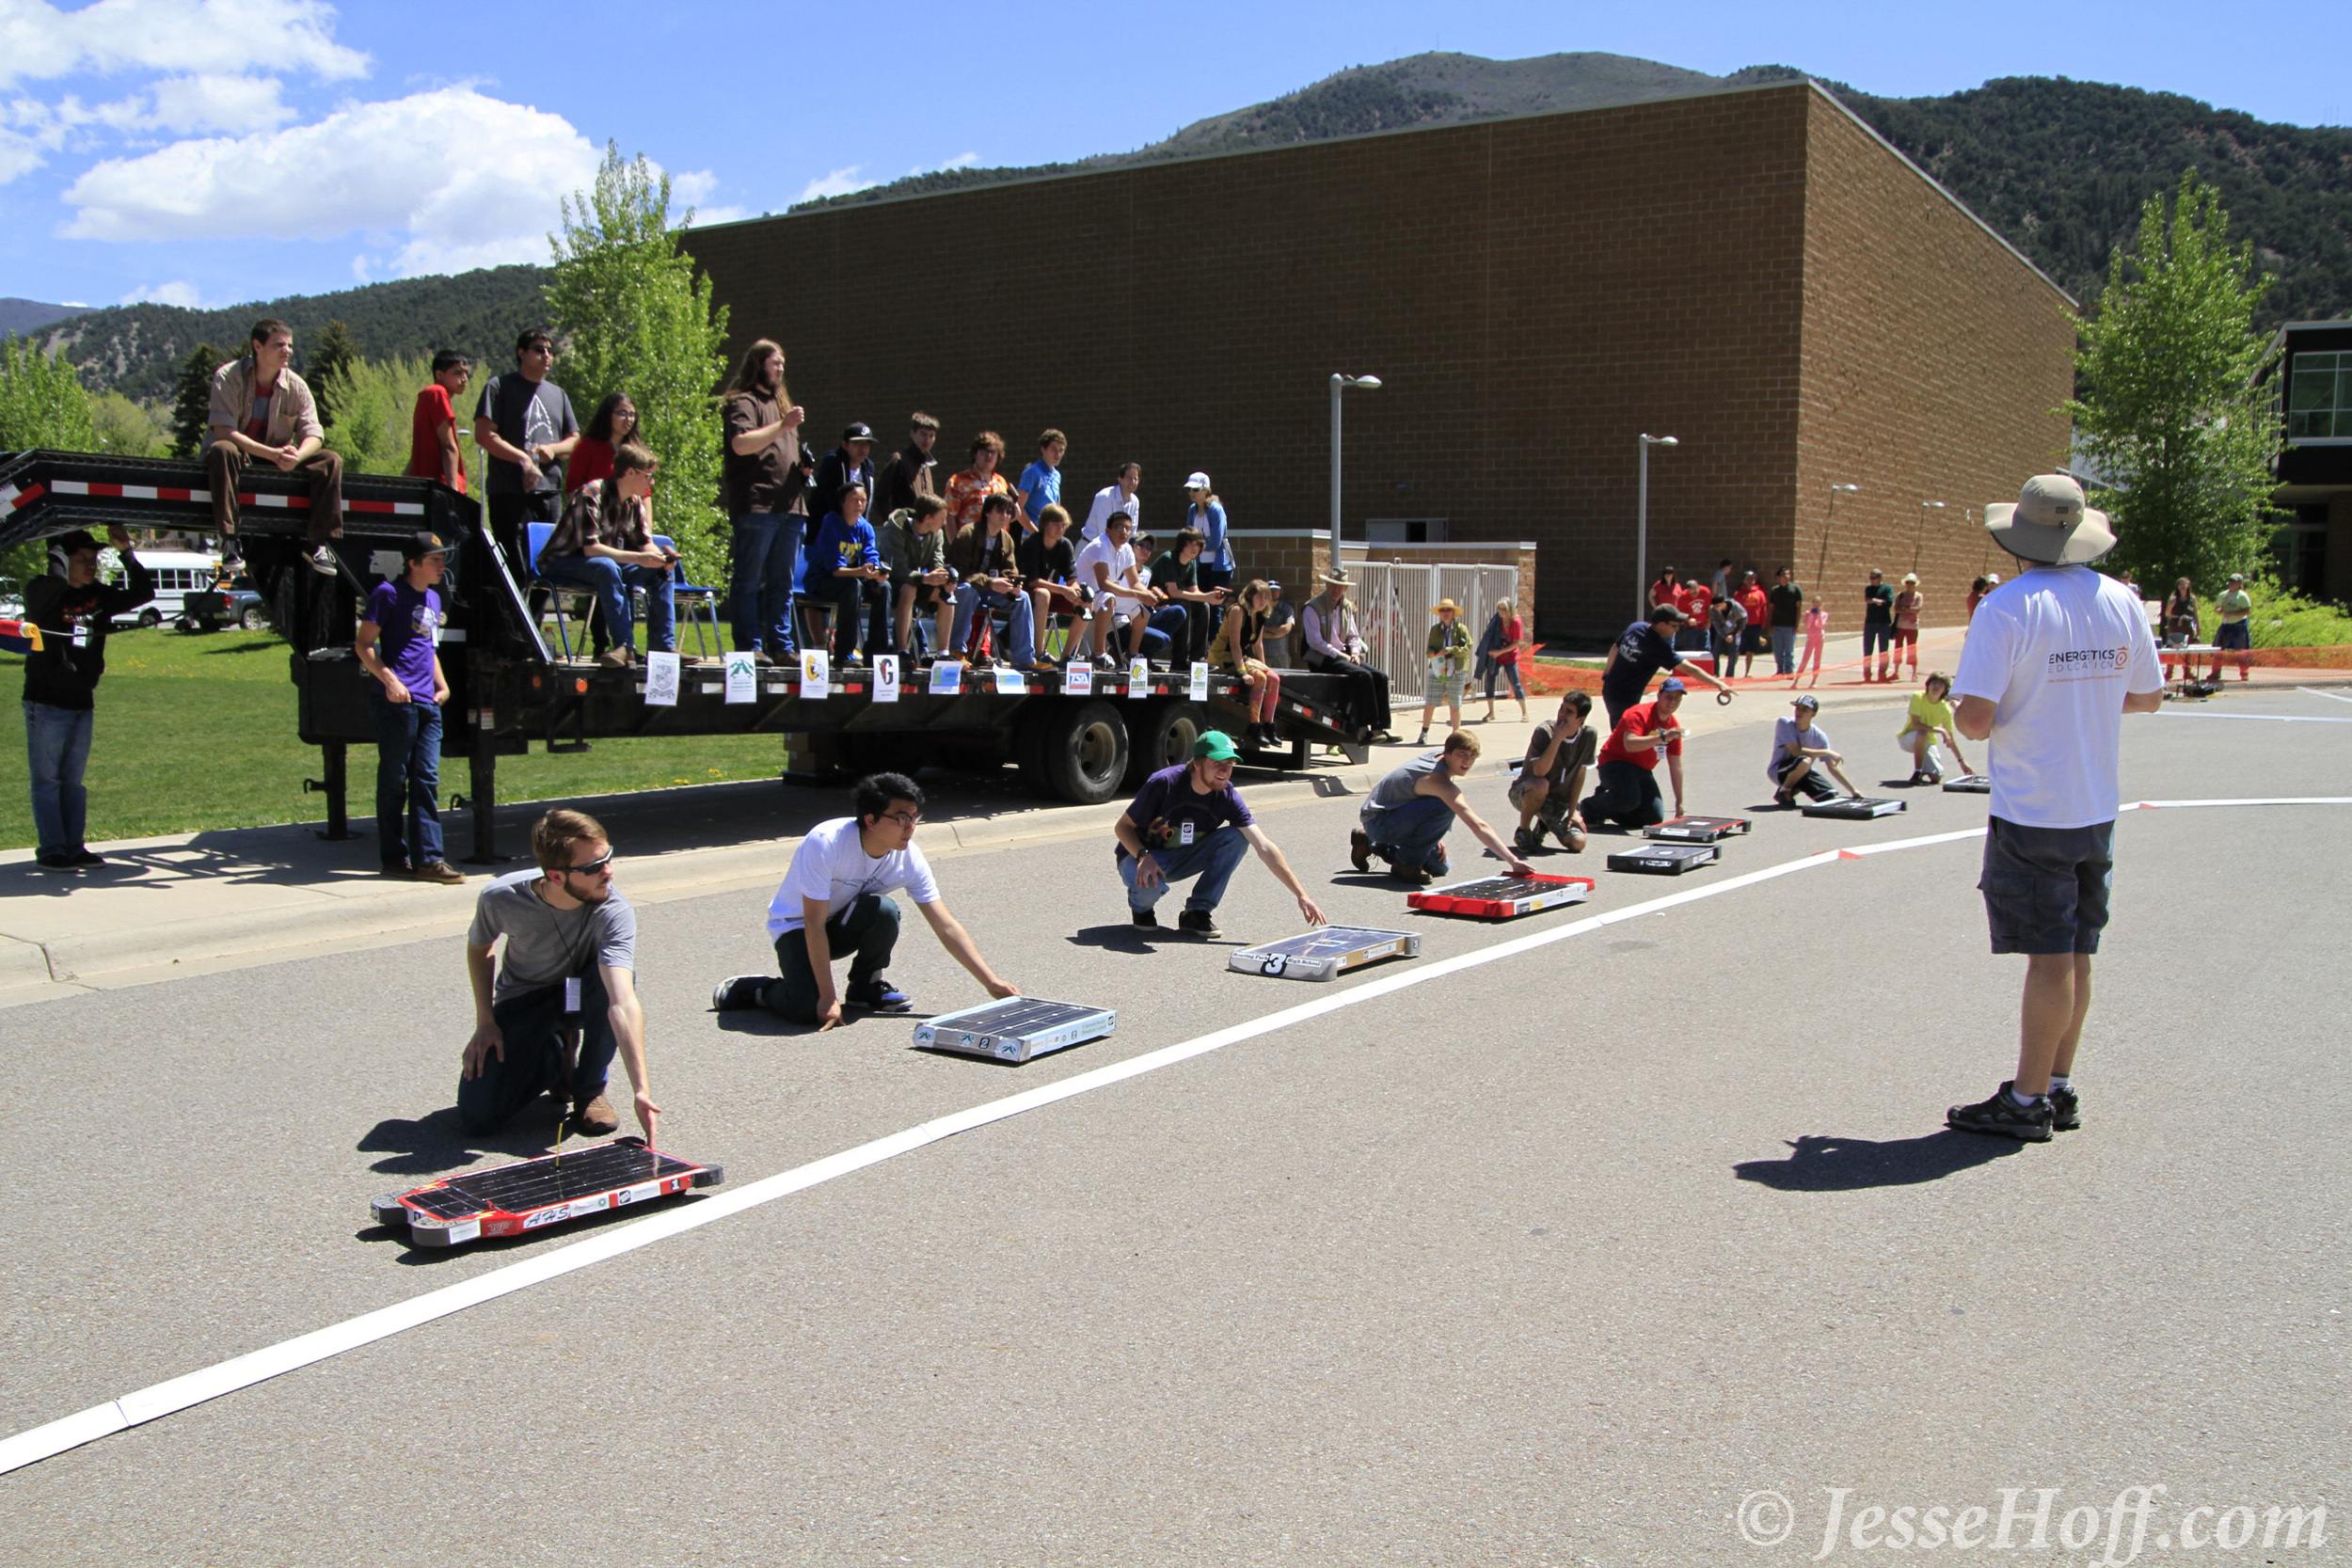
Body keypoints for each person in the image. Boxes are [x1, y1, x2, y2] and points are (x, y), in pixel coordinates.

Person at [1946, 473, 2163, 1141]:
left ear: (2022, 538)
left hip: (2034, 804)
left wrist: (1980, 710)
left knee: (2048, 954)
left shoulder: (2007, 606)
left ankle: (2027, 1097)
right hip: (2094, 800)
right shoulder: (2120, 599)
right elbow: (2146, 696)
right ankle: (2058, 1084)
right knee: (2076, 948)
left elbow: (1977, 719)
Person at [714, 773, 1018, 1028]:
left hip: (842, 924)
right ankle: (757, 990)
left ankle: (865, 987)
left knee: (883, 910)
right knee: (806, 1008)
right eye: (901, 818)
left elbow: (945, 925)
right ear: (870, 820)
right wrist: (827, 997)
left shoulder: (908, 857)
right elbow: (813, 922)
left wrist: (991, 982)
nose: (910, 827)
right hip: (797, 928)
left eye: (914, 817)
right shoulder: (827, 843)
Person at [20, 527, 151, 871]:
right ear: (62, 560)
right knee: (47, 781)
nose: (90, 565)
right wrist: (57, 558)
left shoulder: (99, 595)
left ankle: (74, 848)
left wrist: (126, 554)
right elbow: (53, 585)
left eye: (93, 559)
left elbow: (144, 591)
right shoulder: (43, 592)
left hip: (81, 702)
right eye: (81, 559)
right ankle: (52, 849)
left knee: (72, 783)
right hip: (46, 703)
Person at [1114, 730, 1327, 939]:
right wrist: (1144, 855)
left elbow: (1263, 846)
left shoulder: (1227, 795)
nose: (1225, 770)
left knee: (1237, 837)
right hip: (1142, 857)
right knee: (1149, 889)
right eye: (1217, 763)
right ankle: (1141, 909)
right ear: (1197, 764)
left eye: (1230, 764)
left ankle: (1196, 913)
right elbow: (1122, 827)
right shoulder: (1165, 783)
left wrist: (1302, 895)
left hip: (1185, 855)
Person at [355, 532, 462, 884]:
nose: (440, 566)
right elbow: (365, 644)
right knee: (393, 780)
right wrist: (390, 681)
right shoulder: (387, 594)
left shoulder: (433, 597)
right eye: (433, 560)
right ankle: (393, 857)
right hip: (396, 702)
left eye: (441, 559)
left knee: (426, 779)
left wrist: (443, 685)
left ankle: (429, 860)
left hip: (428, 702)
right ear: (412, 563)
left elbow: (427, 648)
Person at [205, 317, 344, 577]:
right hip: (239, 456)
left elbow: (314, 433)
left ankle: (317, 544)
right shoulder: (228, 376)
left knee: (330, 459)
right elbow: (224, 431)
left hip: (277, 457)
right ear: (257, 346)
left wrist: (298, 455)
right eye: (279, 345)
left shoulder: (297, 386)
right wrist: (273, 454)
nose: (287, 351)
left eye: (290, 346)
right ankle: (229, 540)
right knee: (222, 449)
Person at [537, 443, 678, 668]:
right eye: (649, 476)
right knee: (606, 566)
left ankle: (662, 646)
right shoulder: (592, 493)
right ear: (630, 472)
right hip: (563, 562)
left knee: (660, 571)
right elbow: (590, 549)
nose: (652, 483)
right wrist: (638, 558)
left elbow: (645, 543)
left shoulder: (634, 502)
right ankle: (623, 646)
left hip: (604, 563)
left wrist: (661, 559)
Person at [719, 338, 809, 665]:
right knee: (749, 579)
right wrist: (783, 426)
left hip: (791, 506)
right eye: (775, 362)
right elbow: (741, 444)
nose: (781, 368)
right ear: (758, 363)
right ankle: (749, 646)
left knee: (782, 582)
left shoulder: (783, 405)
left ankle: (781, 645)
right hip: (758, 506)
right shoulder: (743, 402)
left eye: (783, 363)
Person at [1350, 730, 1535, 886]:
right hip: (1379, 820)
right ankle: (1405, 864)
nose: (1467, 761)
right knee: (1446, 805)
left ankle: (1369, 842)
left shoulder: (1439, 756)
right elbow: (1478, 825)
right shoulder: (1438, 780)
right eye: (1462, 754)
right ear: (1447, 752)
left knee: (1440, 867)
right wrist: (1513, 861)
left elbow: (1420, 797)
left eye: (1472, 756)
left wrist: (1432, 835)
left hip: (1394, 815)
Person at [472, 325, 579, 582]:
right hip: (509, 492)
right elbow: (484, 434)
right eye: (539, 350)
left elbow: (574, 441)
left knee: (549, 564)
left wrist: (552, 449)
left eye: (550, 351)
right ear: (521, 353)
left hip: (549, 492)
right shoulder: (499, 386)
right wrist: (524, 460)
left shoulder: (558, 395)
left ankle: (534, 621)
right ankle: (515, 621)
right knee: (516, 567)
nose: (547, 356)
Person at [1298, 570, 1396, 741]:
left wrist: (1356, 652)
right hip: (1321, 658)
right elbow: (1315, 642)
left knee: (1380, 676)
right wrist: (1342, 656)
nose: (1336, 590)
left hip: (1343, 654)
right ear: (1327, 585)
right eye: (1333, 585)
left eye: (1340, 586)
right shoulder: (1313, 607)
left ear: (1345, 588)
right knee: (1362, 675)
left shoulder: (1346, 607)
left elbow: (1353, 635)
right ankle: (1364, 729)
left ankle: (1380, 729)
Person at [1599, 604, 1731, 729]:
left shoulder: (1636, 627)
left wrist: (1607, 673)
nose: (1677, 629)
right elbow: (1690, 669)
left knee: (1623, 732)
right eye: (1674, 625)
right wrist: (1718, 684)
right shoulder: (1658, 648)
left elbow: (1615, 647)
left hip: (1611, 689)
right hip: (1624, 698)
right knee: (1625, 738)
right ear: (1662, 624)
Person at [1582, 677, 1689, 830]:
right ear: (1659, 696)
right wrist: (1662, 737)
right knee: (1629, 798)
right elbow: (1630, 744)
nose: (1673, 702)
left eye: (1677, 698)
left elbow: (1676, 766)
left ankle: (1610, 804)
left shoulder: (1673, 726)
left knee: (1653, 817)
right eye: (1669, 697)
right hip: (1615, 763)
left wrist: (1679, 801)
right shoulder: (1639, 714)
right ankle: (1590, 807)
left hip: (1642, 771)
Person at [943, 493, 1036, 667]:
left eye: (1009, 512)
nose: (1005, 516)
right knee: (966, 590)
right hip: (965, 587)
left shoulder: (1006, 539)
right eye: (1000, 511)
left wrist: (1012, 585)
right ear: (987, 512)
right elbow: (960, 571)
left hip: (991, 591)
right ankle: (957, 650)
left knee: (1022, 597)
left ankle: (1024, 658)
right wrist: (990, 582)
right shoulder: (967, 533)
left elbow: (1010, 569)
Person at [806, 482, 891, 662]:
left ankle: (876, 652)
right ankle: (844, 652)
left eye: (863, 500)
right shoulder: (830, 523)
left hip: (855, 578)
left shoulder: (866, 527)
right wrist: (860, 572)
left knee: (883, 588)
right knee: (852, 586)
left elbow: (870, 556)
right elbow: (834, 570)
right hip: (823, 580)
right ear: (842, 502)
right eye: (854, 500)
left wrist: (876, 572)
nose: (859, 505)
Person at [1509, 689, 1597, 855]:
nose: (1562, 714)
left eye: (1569, 712)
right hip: (1525, 792)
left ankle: (1543, 825)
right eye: (1562, 708)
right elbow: (1540, 771)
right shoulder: (1544, 732)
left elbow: (1580, 775)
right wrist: (1557, 739)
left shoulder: (1589, 735)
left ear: (1581, 719)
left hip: (1558, 802)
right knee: (1540, 784)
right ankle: (1524, 831)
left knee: (1578, 843)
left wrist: (1572, 812)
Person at [1072, 510, 1152, 668]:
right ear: (1108, 530)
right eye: (1119, 527)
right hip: (1081, 594)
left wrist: (1148, 594)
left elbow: (1134, 582)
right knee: (1108, 598)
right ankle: (1098, 653)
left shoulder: (1127, 549)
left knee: (1145, 608)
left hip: (1103, 595)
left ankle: (1131, 653)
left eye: (1127, 528)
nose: (1124, 532)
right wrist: (1137, 593)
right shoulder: (1099, 546)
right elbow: (1104, 584)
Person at [880, 493, 956, 659]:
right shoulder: (894, 530)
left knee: (946, 595)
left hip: (920, 580)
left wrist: (943, 579)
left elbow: (937, 561)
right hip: (892, 583)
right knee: (909, 589)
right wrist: (924, 578)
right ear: (928, 517)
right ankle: (902, 650)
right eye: (942, 518)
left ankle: (943, 652)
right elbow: (897, 569)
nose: (944, 523)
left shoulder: (936, 534)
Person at [1210, 578, 1283, 744]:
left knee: (1274, 678)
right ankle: (1254, 726)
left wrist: (1264, 666)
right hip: (1223, 656)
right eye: (1259, 597)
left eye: (1266, 598)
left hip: (1241, 656)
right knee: (1260, 678)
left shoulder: (1260, 615)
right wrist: (1243, 673)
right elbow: (1235, 645)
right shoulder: (1238, 611)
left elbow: (1258, 644)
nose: (1262, 601)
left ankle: (1269, 726)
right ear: (1249, 596)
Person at [1017, 502, 1086, 663]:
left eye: (1063, 525)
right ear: (1044, 524)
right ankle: (1039, 652)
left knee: (1087, 603)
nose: (1060, 529)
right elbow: (1033, 581)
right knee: (1043, 594)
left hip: (1053, 592)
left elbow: (1071, 579)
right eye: (1055, 525)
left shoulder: (1065, 545)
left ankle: (1067, 656)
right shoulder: (1032, 542)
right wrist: (1063, 590)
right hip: (1028, 592)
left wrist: (1076, 592)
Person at [1143, 527, 1220, 665]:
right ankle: (1179, 660)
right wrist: (1205, 596)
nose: (1194, 548)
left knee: (1204, 606)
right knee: (1184, 605)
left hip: (1171, 600)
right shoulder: (1169, 558)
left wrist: (1210, 597)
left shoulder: (1191, 563)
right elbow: (1173, 592)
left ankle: (1198, 658)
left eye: (1197, 544)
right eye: (1190, 543)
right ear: (1182, 544)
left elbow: (1194, 592)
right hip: (1154, 602)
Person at [1767, 692, 1860, 804]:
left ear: (1813, 714)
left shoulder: (1819, 736)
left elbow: (1833, 767)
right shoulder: (1785, 723)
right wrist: (1826, 752)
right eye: (1798, 708)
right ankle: (1785, 790)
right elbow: (1796, 751)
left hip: (1803, 771)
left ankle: (1794, 788)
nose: (1799, 713)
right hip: (1778, 771)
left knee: (1830, 796)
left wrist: (1853, 790)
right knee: (1805, 761)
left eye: (1805, 710)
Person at [405, 350, 470, 495]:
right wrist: (453, 492)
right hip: (440, 486)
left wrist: (405, 483)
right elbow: (448, 446)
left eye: (466, 373)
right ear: (439, 375)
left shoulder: (427, 395)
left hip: (426, 486)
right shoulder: (437, 393)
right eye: (458, 373)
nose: (464, 379)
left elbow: (419, 450)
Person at [1896, 671, 1973, 784]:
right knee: (1922, 734)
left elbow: (1950, 738)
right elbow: (1916, 725)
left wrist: (1961, 761)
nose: (1936, 686)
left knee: (1936, 777)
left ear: (1945, 689)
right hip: (1909, 739)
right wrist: (1940, 730)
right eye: (1934, 683)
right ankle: (1917, 773)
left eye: (1940, 684)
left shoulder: (1945, 709)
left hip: (1927, 742)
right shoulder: (1918, 697)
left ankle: (1924, 770)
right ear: (1928, 685)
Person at [1417, 598, 1470, 743]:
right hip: (1438, 669)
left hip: (1457, 669)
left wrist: (1449, 650)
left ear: (1454, 613)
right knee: (1430, 702)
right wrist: (1433, 654)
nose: (1445, 613)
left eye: (1448, 610)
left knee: (1455, 703)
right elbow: (1429, 649)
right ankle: (1424, 733)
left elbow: (1466, 649)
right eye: (1443, 610)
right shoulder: (1435, 629)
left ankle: (1456, 736)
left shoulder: (1461, 629)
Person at [945, 431, 1012, 542]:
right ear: (975, 453)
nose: (989, 456)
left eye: (993, 452)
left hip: (996, 545)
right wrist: (955, 547)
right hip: (969, 544)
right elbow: (949, 516)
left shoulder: (1001, 482)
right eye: (984, 451)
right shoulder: (958, 481)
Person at [810, 422, 879, 529]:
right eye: (857, 443)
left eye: (867, 444)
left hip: (855, 529)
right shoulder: (833, 462)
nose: (863, 449)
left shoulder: (868, 467)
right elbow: (829, 499)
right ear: (845, 445)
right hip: (827, 529)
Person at [565, 392, 637, 494]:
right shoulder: (587, 446)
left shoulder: (636, 451)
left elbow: (645, 491)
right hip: (594, 507)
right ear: (607, 415)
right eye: (622, 413)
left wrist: (646, 510)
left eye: (632, 415)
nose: (628, 419)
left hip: (630, 509)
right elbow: (573, 486)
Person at [873, 413, 940, 519]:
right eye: (923, 434)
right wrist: (893, 524)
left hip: (923, 530)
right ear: (912, 434)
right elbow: (880, 497)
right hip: (903, 530)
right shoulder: (899, 461)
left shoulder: (926, 465)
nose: (927, 440)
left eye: (931, 435)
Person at [1183, 472, 1235, 595]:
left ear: (1206, 491)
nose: (1192, 492)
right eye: (1189, 489)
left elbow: (1216, 542)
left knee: (1215, 606)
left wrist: (1196, 545)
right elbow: (1188, 536)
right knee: (1200, 603)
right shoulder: (1192, 510)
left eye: (1196, 489)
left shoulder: (1216, 510)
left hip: (1219, 566)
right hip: (1199, 564)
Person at [1476, 598, 1528, 722]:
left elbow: (1517, 643)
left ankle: (1525, 713)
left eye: (1503, 609)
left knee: (1515, 683)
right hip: (1496, 655)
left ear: (1509, 609)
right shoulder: (1497, 620)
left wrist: (1500, 652)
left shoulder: (1515, 622)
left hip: (1509, 656)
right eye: (1499, 609)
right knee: (1490, 682)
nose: (1501, 612)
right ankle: (1491, 712)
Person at [1016, 429, 1065, 536]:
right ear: (1043, 449)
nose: (1058, 454)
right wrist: (1035, 533)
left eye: (1061, 450)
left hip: (1052, 535)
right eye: (1054, 449)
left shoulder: (1057, 475)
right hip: (1034, 534)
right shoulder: (1032, 472)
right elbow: (1018, 507)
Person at [1080, 461, 1142, 543]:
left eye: (1135, 479)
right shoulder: (1105, 497)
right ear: (1120, 479)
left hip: (1115, 547)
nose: (1133, 482)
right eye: (1129, 478)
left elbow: (1132, 531)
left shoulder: (1135, 501)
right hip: (1090, 545)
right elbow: (1104, 531)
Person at [2210, 572, 2253, 683]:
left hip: (2239, 625)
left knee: (2241, 650)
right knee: (2218, 648)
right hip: (2225, 624)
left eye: (2233, 581)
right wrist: (2219, 610)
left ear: (2239, 583)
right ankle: (2215, 672)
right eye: (2230, 581)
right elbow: (2217, 607)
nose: (2231, 583)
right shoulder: (2223, 595)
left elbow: (2247, 611)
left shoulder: (2242, 596)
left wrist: (2232, 614)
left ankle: (2244, 673)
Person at [2161, 576, 2201, 685]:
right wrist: (2172, 607)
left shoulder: (2192, 599)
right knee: (2173, 649)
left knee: (2187, 650)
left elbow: (2195, 613)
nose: (2183, 586)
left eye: (2185, 584)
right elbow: (2167, 614)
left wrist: (2197, 627)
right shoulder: (2173, 598)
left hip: (2188, 626)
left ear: (2188, 586)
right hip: (2175, 625)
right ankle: (2169, 672)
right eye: (2180, 584)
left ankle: (2187, 671)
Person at [1766, 565, 1804, 676]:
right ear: (1779, 577)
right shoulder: (1775, 591)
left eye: (1788, 574)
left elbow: (1799, 608)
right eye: (1784, 574)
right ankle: (1779, 670)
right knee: (1777, 650)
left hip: (1789, 625)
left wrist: (1796, 624)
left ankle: (1789, 670)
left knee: (1789, 650)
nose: (1786, 576)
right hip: (1777, 625)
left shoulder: (1795, 590)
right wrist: (1770, 625)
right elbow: (1771, 608)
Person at [1708, 590, 1746, 691]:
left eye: (1718, 606)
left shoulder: (1735, 607)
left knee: (1733, 655)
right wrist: (1725, 635)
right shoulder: (1713, 610)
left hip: (1734, 630)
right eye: (1714, 606)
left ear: (1723, 603)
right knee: (1715, 652)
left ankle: (1729, 677)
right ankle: (1716, 674)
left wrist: (1737, 631)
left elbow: (1744, 618)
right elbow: (1716, 624)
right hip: (1722, 632)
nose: (1716, 608)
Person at [1735, 569, 1770, 677]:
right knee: (1737, 649)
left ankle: (1747, 672)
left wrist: (1762, 626)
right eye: (1748, 578)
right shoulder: (1738, 594)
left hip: (1755, 626)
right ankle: (1731, 671)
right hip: (1742, 626)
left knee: (1751, 650)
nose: (1751, 580)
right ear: (1744, 580)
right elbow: (1734, 610)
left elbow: (1763, 610)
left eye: (1753, 578)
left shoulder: (1760, 594)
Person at [1862, 568, 1896, 680]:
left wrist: (1877, 601)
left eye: (1874, 577)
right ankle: (1867, 673)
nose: (1871, 580)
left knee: (1883, 649)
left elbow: (1889, 603)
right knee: (1867, 649)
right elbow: (1868, 600)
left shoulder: (1887, 588)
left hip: (1883, 622)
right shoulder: (1869, 589)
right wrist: (1879, 602)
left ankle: (1882, 673)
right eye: (1870, 578)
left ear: (1880, 578)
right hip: (1870, 622)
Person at [1890, 572, 1925, 679]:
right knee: (1898, 649)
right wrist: (1909, 610)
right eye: (1908, 582)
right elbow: (1896, 609)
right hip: (1901, 626)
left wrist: (1905, 609)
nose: (1909, 585)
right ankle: (1896, 672)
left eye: (1912, 583)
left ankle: (1914, 673)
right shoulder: (1900, 596)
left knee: (1912, 649)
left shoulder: (1918, 596)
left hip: (1912, 627)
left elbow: (1917, 609)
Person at [1792, 598, 1828, 687]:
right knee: (1805, 658)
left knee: (1817, 659)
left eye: (1818, 604)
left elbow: (1821, 625)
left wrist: (1819, 615)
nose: (1816, 605)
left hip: (1819, 637)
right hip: (1811, 637)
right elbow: (1808, 625)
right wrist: (1812, 615)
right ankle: (1797, 679)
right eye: (1815, 603)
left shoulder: (1824, 614)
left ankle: (1814, 680)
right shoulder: (1808, 613)